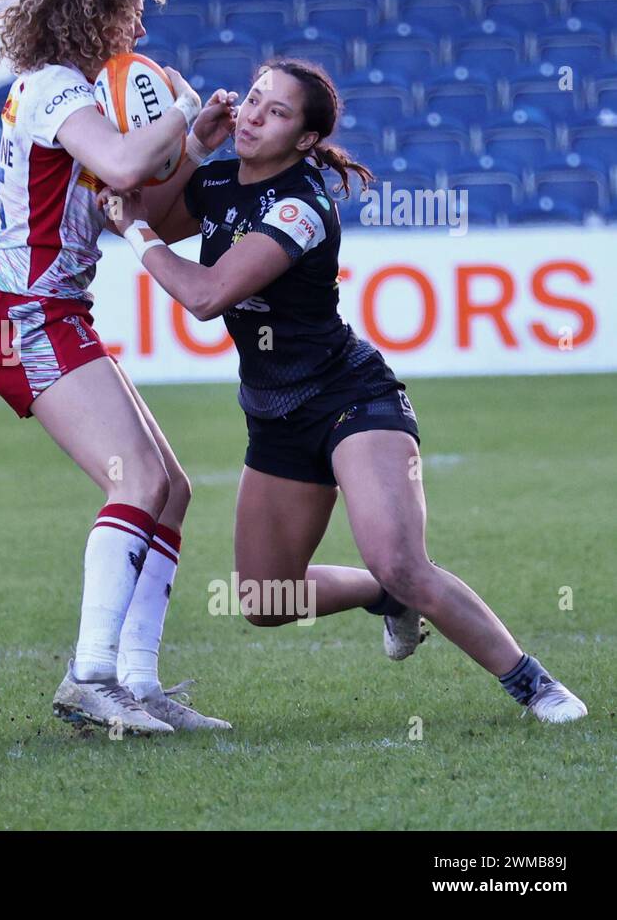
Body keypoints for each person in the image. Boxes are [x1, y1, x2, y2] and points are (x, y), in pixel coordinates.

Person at [108, 58, 587, 724]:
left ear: (305, 139)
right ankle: (384, 597)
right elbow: (145, 210)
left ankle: (535, 685)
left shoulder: (303, 205)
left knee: (401, 559)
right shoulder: (218, 178)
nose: (252, 114)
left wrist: (135, 231)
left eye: (275, 112)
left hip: (349, 398)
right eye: (251, 99)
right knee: (266, 600)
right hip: (274, 414)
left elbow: (206, 293)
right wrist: (194, 144)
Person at [0, 0, 235, 734]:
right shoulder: (54, 87)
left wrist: (194, 146)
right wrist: (182, 107)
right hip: (22, 315)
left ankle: (139, 684)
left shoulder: (82, 98)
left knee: (171, 489)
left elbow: (142, 211)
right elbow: (124, 168)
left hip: (49, 313)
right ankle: (90, 677)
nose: (140, 31)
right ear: (92, 15)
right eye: (128, 13)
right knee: (139, 483)